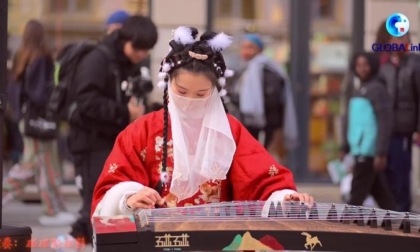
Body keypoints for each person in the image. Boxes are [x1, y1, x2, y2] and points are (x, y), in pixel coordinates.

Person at [91, 26, 313, 220]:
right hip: (158, 239)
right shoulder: (144, 130)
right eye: (182, 91)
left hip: (217, 239)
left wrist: (284, 197)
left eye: (201, 94)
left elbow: (261, 178)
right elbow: (115, 180)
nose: (189, 100)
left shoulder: (230, 131)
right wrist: (128, 197)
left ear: (215, 92)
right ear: (168, 85)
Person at [51, 15, 158, 249]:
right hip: (90, 141)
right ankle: (91, 242)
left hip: (111, 140)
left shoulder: (127, 64)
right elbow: (87, 102)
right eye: (137, 48)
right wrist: (124, 114)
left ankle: (73, 241)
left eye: (145, 50)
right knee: (96, 198)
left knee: (100, 197)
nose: (141, 54)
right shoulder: (97, 59)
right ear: (124, 39)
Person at [2, 20, 76, 225]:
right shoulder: (41, 58)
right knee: (43, 167)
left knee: (38, 165)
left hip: (28, 122)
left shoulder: (22, 57)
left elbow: (16, 92)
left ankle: (54, 209)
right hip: (40, 123)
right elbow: (41, 94)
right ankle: (52, 210)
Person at [226, 33, 298, 161]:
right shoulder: (240, 71)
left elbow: (273, 100)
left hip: (263, 126)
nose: (245, 51)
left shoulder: (268, 71)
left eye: (250, 47)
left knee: (259, 159)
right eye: (243, 47)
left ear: (259, 50)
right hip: (244, 124)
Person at [341, 52, 396, 210]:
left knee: (356, 193)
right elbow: (352, 121)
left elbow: (385, 122)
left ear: (372, 65)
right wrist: (345, 146)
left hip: (369, 150)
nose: (362, 69)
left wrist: (381, 152)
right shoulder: (357, 90)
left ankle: (347, 225)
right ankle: (399, 222)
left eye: (365, 64)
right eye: (358, 65)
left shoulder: (378, 90)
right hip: (358, 149)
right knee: (381, 193)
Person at [379, 32, 420, 212]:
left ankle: (403, 211)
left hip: (404, 129)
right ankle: (389, 212)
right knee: (386, 171)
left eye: (401, 39)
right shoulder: (384, 66)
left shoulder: (414, 64)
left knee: (402, 172)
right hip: (385, 130)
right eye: (394, 39)